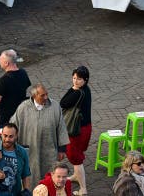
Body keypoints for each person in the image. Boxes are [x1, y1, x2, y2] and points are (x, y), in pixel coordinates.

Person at [11, 84, 69, 185]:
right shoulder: (23, 108)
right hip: (30, 151)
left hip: (50, 150)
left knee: (50, 176)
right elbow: (13, 127)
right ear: (34, 96)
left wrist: (62, 149)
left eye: (47, 94)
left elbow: (61, 127)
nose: (46, 97)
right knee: (30, 176)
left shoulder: (55, 106)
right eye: (42, 95)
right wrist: (12, 146)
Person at [59, 66, 91, 196]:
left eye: (78, 79)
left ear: (85, 79)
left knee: (75, 157)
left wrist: (73, 89)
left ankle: (83, 189)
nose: (75, 81)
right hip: (85, 127)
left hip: (76, 129)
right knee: (77, 154)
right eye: (74, 78)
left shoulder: (78, 92)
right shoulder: (86, 89)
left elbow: (63, 102)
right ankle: (76, 176)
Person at [0, 123, 32, 196]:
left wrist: (27, 192)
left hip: (15, 193)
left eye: (11, 136)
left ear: (16, 136)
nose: (7, 139)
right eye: (5, 136)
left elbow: (25, 175)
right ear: (1, 134)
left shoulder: (22, 152)